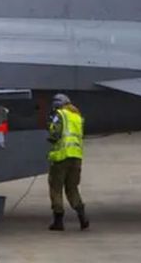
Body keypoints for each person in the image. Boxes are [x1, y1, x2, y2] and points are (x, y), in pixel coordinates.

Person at [47, 92, 88, 231]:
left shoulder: (60, 115)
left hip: (61, 157)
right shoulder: (77, 116)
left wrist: (51, 135)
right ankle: (82, 217)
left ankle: (58, 221)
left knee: (56, 188)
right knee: (72, 188)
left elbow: (55, 134)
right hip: (76, 157)